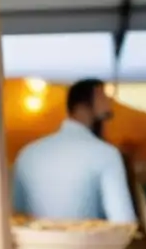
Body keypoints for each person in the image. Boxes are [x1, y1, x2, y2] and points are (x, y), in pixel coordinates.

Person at [12, 79, 137, 223]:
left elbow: (17, 217)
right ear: (88, 102)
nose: (110, 103)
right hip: (88, 245)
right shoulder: (106, 154)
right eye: (104, 97)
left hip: (34, 244)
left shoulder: (27, 154)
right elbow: (125, 223)